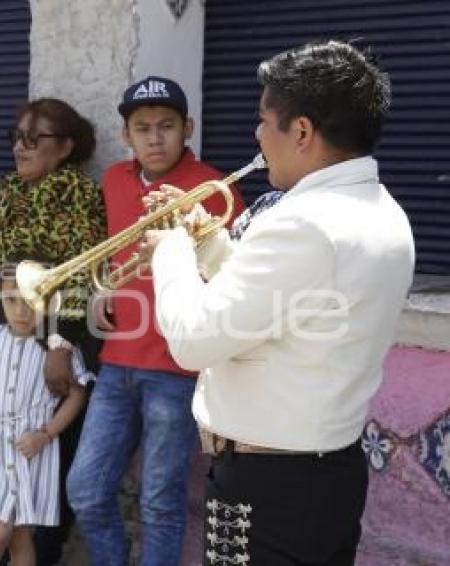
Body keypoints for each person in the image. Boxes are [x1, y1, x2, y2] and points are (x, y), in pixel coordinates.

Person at [147, 40, 415, 565]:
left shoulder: (302, 222)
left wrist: (171, 248)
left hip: (267, 486)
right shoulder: (382, 212)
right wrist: (211, 246)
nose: (256, 136)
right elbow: (287, 308)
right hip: (323, 476)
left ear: (301, 132)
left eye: (263, 121)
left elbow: (192, 340)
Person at [65, 76, 245, 566]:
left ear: (187, 127)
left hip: (175, 369)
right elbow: (116, 252)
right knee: (84, 489)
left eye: (166, 126)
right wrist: (103, 289)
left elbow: (234, 278)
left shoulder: (214, 186)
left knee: (159, 504)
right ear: (126, 134)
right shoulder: (115, 181)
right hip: (117, 361)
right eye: (142, 128)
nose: (154, 138)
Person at [0, 97, 107, 565]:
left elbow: (83, 269)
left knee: (52, 453)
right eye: (16, 136)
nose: (22, 147)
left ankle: (42, 554)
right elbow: (1, 266)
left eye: (35, 139)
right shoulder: (6, 192)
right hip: (11, 328)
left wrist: (60, 341)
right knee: (9, 449)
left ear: (66, 147)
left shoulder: (76, 191)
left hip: (60, 333)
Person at [0, 269, 93, 566]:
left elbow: (77, 394)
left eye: (30, 302)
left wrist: (46, 434)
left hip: (32, 450)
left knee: (20, 536)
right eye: (11, 300)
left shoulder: (58, 347)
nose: (20, 311)